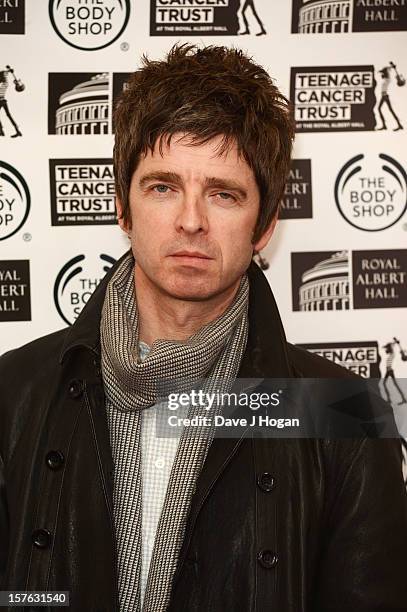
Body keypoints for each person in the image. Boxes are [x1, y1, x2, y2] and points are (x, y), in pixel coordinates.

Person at [1, 44, 406, 612]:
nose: (191, 221)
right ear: (122, 208)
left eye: (223, 194)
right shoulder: (14, 393)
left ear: (263, 225)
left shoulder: (347, 413)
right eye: (163, 187)